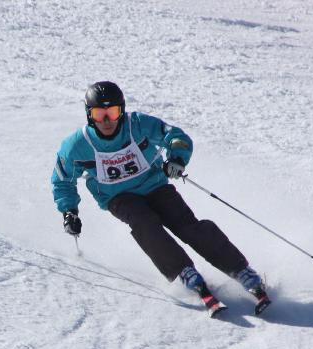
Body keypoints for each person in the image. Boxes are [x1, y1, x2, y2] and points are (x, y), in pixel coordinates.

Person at [50, 81, 270, 316]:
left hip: (154, 186)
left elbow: (176, 137)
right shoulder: (77, 146)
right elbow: (62, 180)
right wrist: (69, 211)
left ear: (121, 111)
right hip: (119, 197)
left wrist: (176, 159)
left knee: (186, 225)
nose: (106, 121)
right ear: (89, 115)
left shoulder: (137, 125)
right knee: (144, 223)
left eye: (112, 112)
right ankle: (183, 272)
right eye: (99, 114)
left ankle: (241, 270)